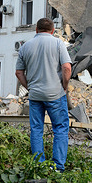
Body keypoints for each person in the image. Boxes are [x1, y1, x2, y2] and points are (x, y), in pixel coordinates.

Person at [15, 18, 72, 172]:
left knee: (36, 129)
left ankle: (39, 165)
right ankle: (58, 167)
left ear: (36, 30)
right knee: (60, 128)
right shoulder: (58, 43)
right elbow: (67, 68)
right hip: (55, 94)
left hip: (35, 96)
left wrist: (30, 87)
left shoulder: (25, 46)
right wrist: (64, 86)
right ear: (53, 31)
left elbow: (18, 72)